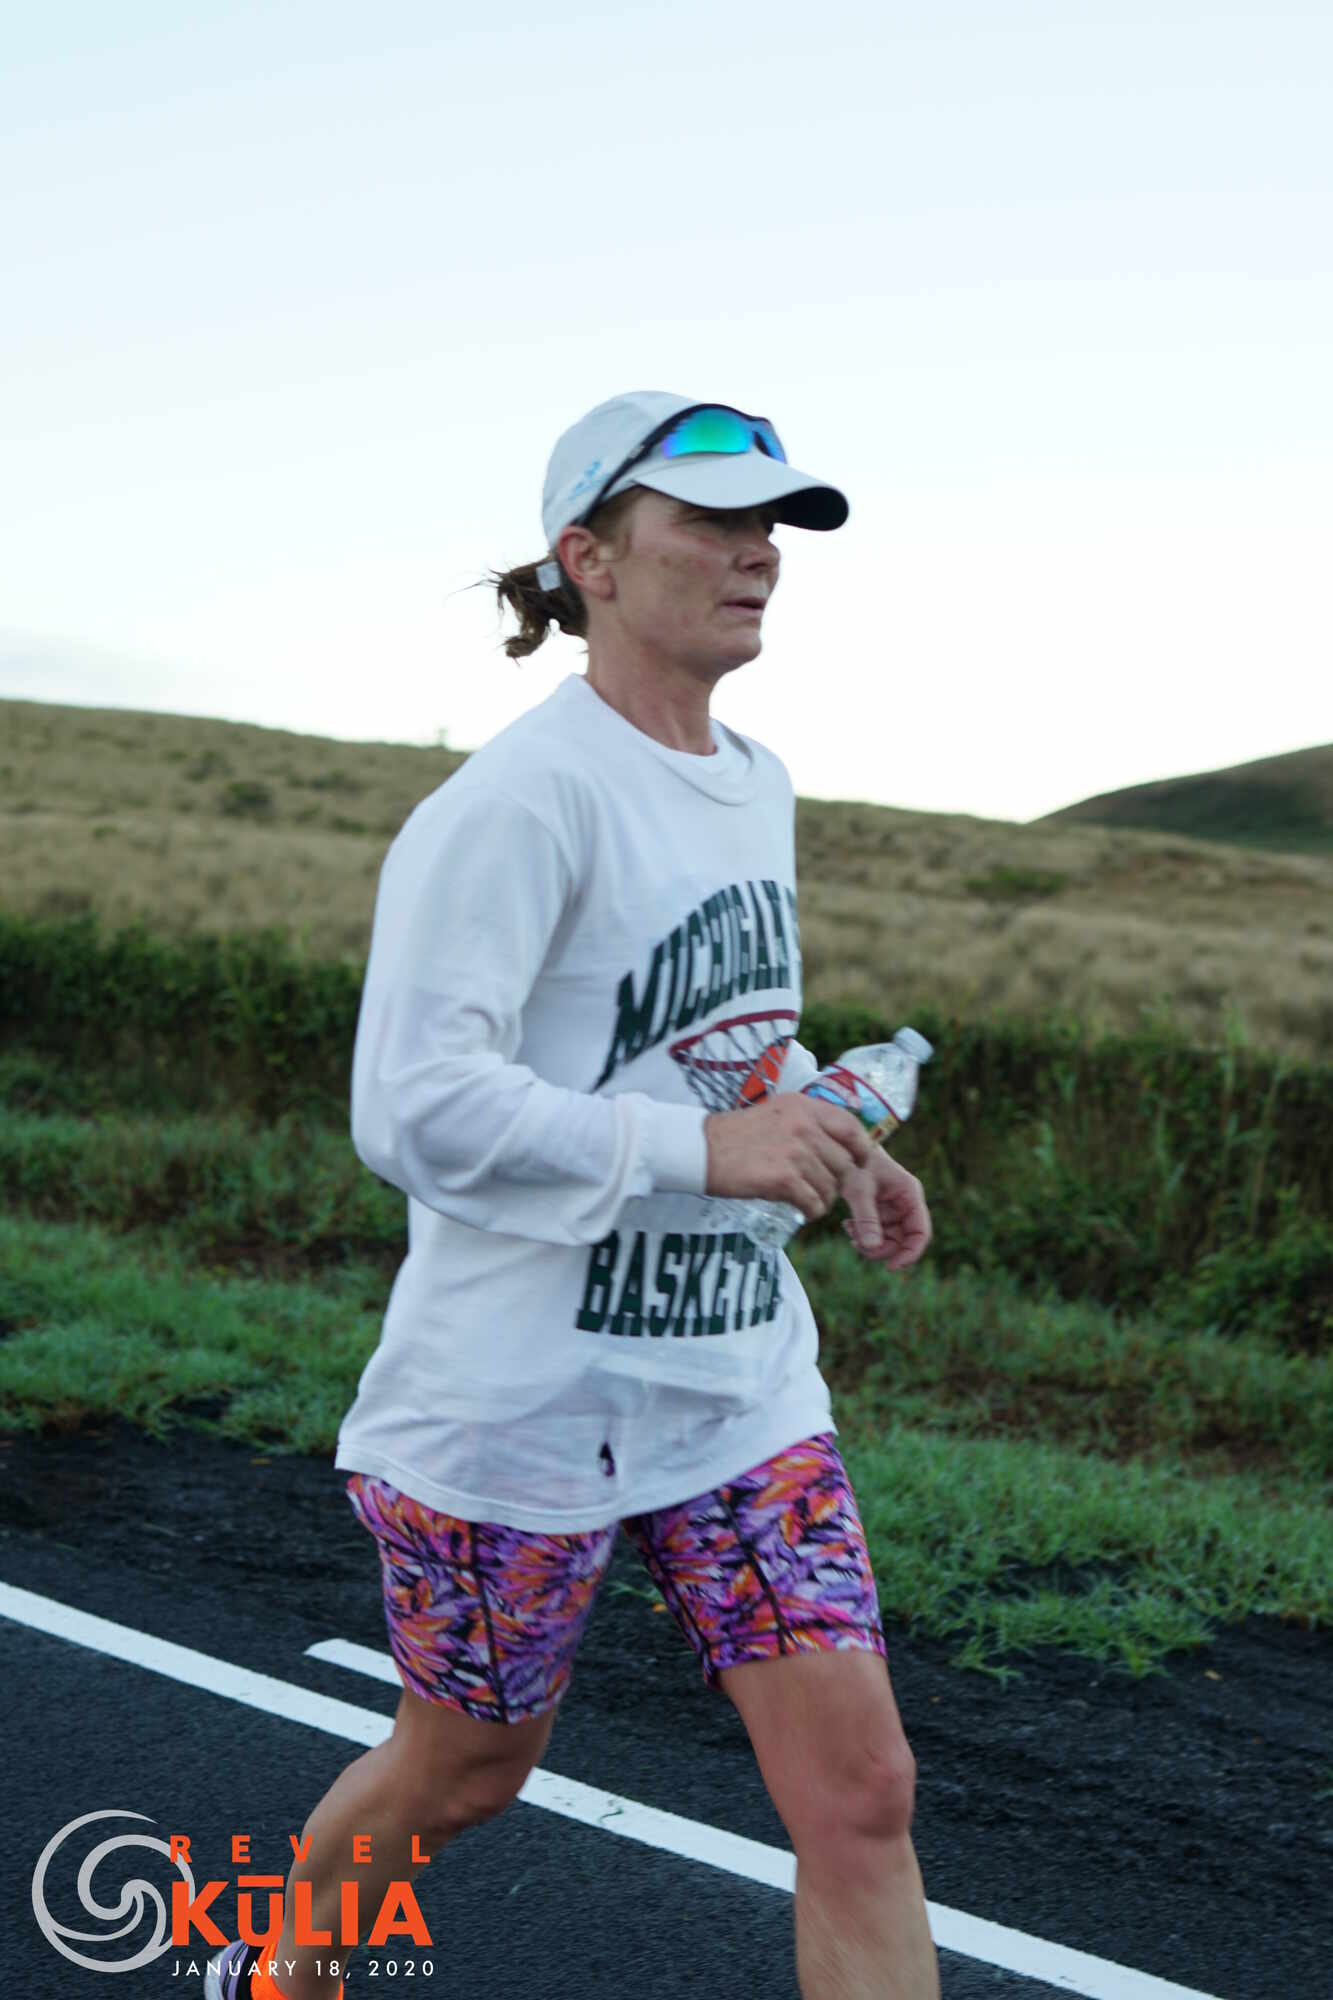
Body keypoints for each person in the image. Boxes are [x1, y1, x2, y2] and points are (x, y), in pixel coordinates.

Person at [206, 392, 938, 2000]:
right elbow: (413, 1104)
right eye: (710, 522)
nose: (756, 553)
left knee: (861, 1797)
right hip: (518, 1402)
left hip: (734, 1384)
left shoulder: (754, 779)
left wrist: (832, 1133)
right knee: (464, 1770)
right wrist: (699, 1154)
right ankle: (282, 1972)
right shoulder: (517, 802)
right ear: (587, 559)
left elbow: (715, 1029)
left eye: (771, 526)